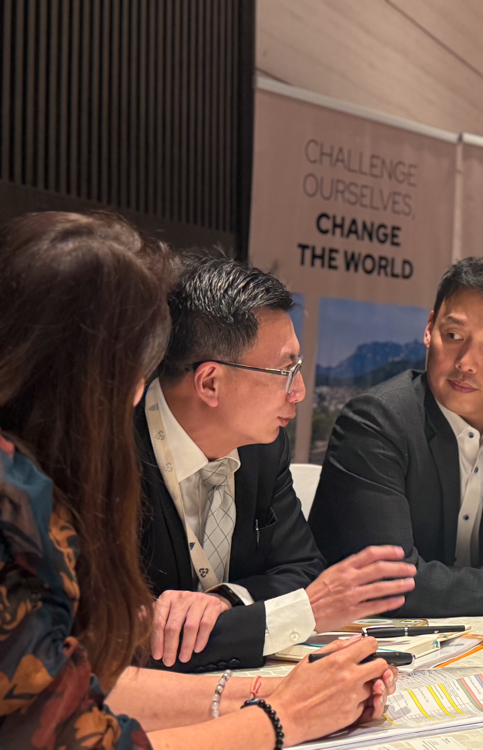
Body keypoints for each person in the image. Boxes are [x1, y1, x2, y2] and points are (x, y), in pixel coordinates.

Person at [0, 211, 395, 749]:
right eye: (137, 359)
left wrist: (277, 691)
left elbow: (77, 681)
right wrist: (282, 718)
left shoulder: (32, 475)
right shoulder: (23, 500)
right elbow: (75, 732)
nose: (144, 385)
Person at [138, 254, 416, 672]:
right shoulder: (107, 450)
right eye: (286, 370)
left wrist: (227, 599)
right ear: (210, 382)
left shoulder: (263, 445)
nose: (299, 391)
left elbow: (301, 568)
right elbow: (125, 636)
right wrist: (294, 615)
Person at [309, 254, 483, 616]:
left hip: (476, 638)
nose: (466, 362)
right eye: (453, 335)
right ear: (429, 329)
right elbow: (390, 585)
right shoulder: (375, 423)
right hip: (366, 638)